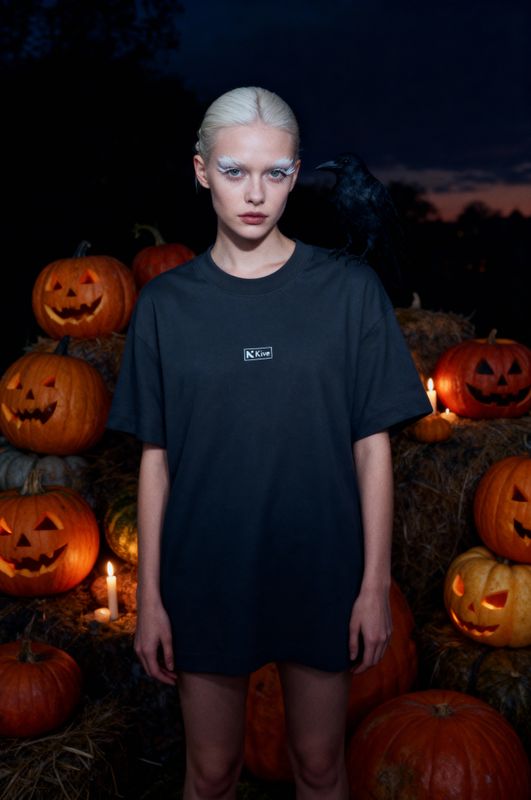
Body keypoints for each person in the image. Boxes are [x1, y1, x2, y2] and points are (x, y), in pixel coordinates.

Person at [107, 86, 432, 800]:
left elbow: (371, 447)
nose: (254, 193)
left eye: (275, 173)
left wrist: (374, 585)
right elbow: (155, 461)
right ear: (201, 172)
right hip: (206, 573)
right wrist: (151, 600)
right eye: (233, 172)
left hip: (319, 570)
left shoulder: (348, 291)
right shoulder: (165, 305)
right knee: (212, 771)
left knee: (318, 767)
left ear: (295, 173)